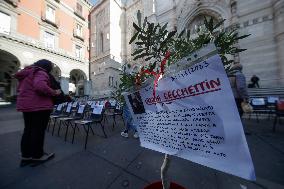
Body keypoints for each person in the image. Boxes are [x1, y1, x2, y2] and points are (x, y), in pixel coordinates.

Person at [15, 59, 61, 166]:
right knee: (38, 131)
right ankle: (38, 155)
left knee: (28, 130)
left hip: (26, 106)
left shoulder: (27, 73)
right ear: (46, 67)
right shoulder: (40, 72)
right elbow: (40, 86)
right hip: (39, 106)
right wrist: (54, 92)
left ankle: (26, 156)